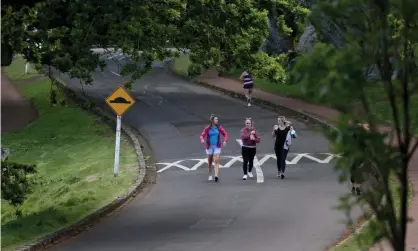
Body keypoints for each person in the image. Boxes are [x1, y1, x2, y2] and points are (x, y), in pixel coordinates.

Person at [200, 114, 229, 182]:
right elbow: (202, 135)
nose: (217, 120)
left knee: (216, 160)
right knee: (210, 161)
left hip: (217, 146)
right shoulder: (208, 128)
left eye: (217, 119)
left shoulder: (219, 127)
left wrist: (225, 140)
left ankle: (216, 175)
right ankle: (210, 174)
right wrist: (202, 139)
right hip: (209, 146)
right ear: (212, 121)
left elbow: (225, 134)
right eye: (216, 119)